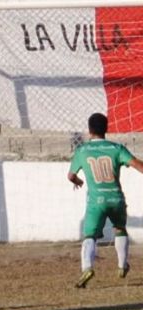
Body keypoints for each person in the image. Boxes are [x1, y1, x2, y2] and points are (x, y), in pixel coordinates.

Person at [68, 113, 143, 288]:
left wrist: (77, 181)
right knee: (120, 229)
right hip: (116, 198)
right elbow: (138, 165)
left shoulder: (82, 151)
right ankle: (122, 265)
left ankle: (87, 267)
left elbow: (70, 175)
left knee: (90, 235)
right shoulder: (117, 148)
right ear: (106, 129)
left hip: (96, 201)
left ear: (89, 130)